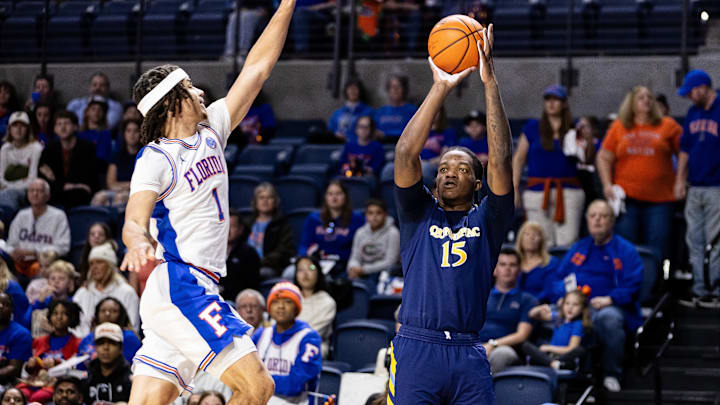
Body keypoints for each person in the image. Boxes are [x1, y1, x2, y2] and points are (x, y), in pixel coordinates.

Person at [120, 1, 296, 402]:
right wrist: (137, 241)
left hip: (186, 291)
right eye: (190, 88)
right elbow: (134, 218)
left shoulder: (212, 129)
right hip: (183, 286)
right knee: (257, 387)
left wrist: (287, 4)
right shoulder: (156, 158)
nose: (201, 91)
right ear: (172, 104)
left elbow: (257, 69)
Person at [389, 25, 514, 404]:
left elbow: (502, 158)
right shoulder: (417, 213)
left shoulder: (489, 218)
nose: (448, 173)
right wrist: (440, 87)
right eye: (443, 168)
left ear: (477, 183)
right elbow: (405, 155)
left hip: (467, 350)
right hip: (416, 347)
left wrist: (489, 83)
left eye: (461, 169)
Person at [550, 199, 643, 392]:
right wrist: (564, 295)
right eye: (593, 216)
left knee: (609, 319)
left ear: (612, 221)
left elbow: (633, 285)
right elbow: (558, 279)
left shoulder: (626, 250)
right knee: (543, 313)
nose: (598, 220)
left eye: (603, 216)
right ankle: (553, 370)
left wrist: (610, 299)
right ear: (587, 221)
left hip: (608, 306)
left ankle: (612, 373)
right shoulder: (579, 248)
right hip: (576, 304)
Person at [596, 85, 682, 262]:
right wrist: (607, 185)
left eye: (649, 97)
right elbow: (604, 157)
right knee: (627, 246)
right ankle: (629, 285)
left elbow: (685, 153)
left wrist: (681, 180)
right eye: (641, 98)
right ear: (632, 104)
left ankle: (658, 286)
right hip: (628, 200)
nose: (647, 101)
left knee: (659, 247)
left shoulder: (668, 125)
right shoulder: (619, 127)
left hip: (661, 200)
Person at [512, 85, 587, 247]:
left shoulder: (575, 128)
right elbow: (518, 159)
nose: (551, 103)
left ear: (564, 103)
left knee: (568, 241)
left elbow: (586, 159)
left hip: (569, 191)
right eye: (548, 99)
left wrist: (584, 136)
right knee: (540, 241)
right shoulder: (532, 127)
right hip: (537, 191)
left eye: (556, 100)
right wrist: (515, 189)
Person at [675, 69, 720, 309]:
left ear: (703, 87)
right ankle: (699, 288)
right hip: (696, 186)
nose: (690, 97)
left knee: (716, 241)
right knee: (695, 240)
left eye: (691, 92)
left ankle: (716, 290)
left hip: (717, 186)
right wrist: (679, 180)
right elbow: (685, 149)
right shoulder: (693, 113)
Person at [252, 282, 322, 405]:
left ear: (296, 308)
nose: (281, 306)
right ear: (269, 308)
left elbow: (296, 385)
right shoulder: (260, 335)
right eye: (275, 302)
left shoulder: (309, 338)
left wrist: (260, 381)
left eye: (288, 302)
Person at [479, 248, 537, 373]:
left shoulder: (528, 300)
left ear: (519, 271)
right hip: (477, 345)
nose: (507, 269)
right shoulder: (480, 295)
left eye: (512, 265)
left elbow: (522, 335)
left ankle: (488, 392)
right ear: (495, 269)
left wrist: (493, 344)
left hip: (506, 349)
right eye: (503, 264)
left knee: (502, 355)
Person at [7, 179, 70, 279]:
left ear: (48, 196)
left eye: (39, 191)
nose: (35, 194)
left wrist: (35, 252)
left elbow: (63, 247)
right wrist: (14, 252)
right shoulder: (21, 215)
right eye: (31, 190)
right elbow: (11, 244)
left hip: (43, 265)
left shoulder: (59, 216)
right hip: (18, 264)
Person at [73, 243, 139, 337]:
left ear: (110, 265)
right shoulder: (82, 293)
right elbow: (74, 328)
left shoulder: (127, 292)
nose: (94, 267)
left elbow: (132, 327)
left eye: (99, 262)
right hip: (86, 346)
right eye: (91, 263)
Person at [298, 181, 365, 271]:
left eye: (338, 193)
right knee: (290, 273)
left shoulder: (357, 219)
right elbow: (304, 245)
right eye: (330, 194)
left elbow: (359, 249)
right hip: (315, 265)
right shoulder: (313, 219)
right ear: (325, 197)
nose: (334, 197)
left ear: (345, 197)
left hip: (343, 265)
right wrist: (308, 256)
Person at [38, 110, 98, 209]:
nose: (62, 127)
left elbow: (89, 179)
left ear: (75, 127)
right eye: (59, 124)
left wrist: (60, 183)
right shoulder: (49, 150)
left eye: (66, 123)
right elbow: (44, 178)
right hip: (57, 193)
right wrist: (64, 186)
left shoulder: (88, 148)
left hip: (80, 195)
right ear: (55, 129)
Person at [525, 289, 591, 370]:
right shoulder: (559, 318)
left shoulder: (578, 324)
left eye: (575, 305)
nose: (570, 307)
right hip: (551, 356)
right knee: (525, 346)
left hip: (564, 356)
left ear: (582, 308)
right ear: (562, 305)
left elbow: (572, 348)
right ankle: (553, 364)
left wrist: (549, 348)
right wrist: (540, 308)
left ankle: (553, 363)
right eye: (567, 303)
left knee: (580, 350)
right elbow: (532, 314)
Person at [347, 198, 400, 293]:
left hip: (381, 273)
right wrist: (353, 268)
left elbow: (390, 262)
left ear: (385, 214)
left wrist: (364, 270)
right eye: (370, 213)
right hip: (361, 271)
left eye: (378, 213)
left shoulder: (393, 233)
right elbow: (354, 257)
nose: (374, 216)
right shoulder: (360, 232)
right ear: (366, 215)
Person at [246, 183, 295, 279]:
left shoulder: (282, 224)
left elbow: (283, 251)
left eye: (269, 197)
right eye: (261, 198)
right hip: (245, 265)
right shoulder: (247, 223)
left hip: (269, 266)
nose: (265, 201)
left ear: (275, 202)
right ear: (255, 202)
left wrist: (259, 262)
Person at [92, 118, 142, 208]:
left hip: (136, 192)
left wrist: (124, 186)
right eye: (129, 131)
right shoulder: (116, 155)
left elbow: (142, 183)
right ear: (124, 134)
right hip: (117, 190)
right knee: (99, 197)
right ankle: (97, 222)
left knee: (120, 198)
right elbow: (111, 183)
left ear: (141, 134)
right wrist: (128, 185)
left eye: (136, 131)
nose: (132, 134)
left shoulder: (145, 156)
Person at [77, 297, 142, 365]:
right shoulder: (88, 338)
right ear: (96, 314)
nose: (107, 314)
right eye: (103, 310)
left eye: (114, 311)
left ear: (121, 315)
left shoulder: (130, 338)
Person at [293, 256, 335, 357]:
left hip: (312, 348)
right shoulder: (290, 298)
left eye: (310, 268)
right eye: (300, 270)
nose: (305, 274)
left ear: (319, 272)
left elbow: (311, 333)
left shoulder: (327, 302)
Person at [0, 112, 43, 211]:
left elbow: (33, 180)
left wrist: (9, 186)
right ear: (9, 129)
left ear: (28, 129)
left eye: (22, 126)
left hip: (28, 192)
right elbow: (1, 177)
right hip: (5, 190)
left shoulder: (36, 148)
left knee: (9, 194)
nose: (18, 129)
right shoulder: (5, 148)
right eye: (15, 125)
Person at [24, 260, 77, 338]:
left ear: (70, 283)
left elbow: (77, 331)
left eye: (61, 279)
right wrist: (38, 302)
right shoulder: (43, 302)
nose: (56, 282)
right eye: (52, 278)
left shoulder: (74, 302)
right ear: (48, 282)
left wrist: (55, 331)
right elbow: (25, 323)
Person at [85, 322, 133, 404]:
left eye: (111, 343)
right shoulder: (88, 376)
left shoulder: (131, 378)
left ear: (120, 348)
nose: (106, 348)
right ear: (95, 348)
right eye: (101, 343)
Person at [220, 210, 261, 301]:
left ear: (240, 229)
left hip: (239, 302)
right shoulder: (211, 253)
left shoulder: (249, 253)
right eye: (224, 225)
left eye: (232, 226)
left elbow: (251, 286)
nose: (227, 230)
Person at [515, 221, 559, 303]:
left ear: (541, 240)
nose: (531, 238)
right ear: (520, 238)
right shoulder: (513, 262)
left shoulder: (551, 263)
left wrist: (528, 303)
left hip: (540, 305)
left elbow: (550, 290)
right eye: (527, 234)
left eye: (536, 235)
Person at [337, 116, 385, 185]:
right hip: (349, 175)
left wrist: (362, 169)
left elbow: (376, 169)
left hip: (366, 178)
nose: (363, 130)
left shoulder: (377, 147)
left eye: (366, 127)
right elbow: (342, 164)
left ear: (371, 129)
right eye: (361, 127)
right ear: (356, 129)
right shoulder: (349, 145)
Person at [0, 293, 32, 386]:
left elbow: (14, 368)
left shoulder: (21, 334)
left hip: (8, 384)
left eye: (6, 304)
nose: (0, 306)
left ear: (12, 309)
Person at [374, 75, 418, 141]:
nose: (395, 89)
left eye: (399, 86)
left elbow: (413, 133)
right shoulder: (381, 111)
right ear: (388, 90)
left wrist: (386, 134)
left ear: (404, 89)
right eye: (392, 86)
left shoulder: (412, 111)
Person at [77, 96, 113, 165]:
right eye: (93, 109)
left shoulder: (106, 134)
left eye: (100, 110)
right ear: (87, 112)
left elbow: (103, 156)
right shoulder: (79, 133)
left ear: (103, 114)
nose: (97, 112)